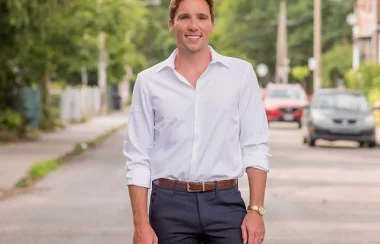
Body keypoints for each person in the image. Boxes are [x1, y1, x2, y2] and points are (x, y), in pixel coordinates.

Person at [123, 0, 270, 243]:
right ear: (171, 24)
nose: (194, 26)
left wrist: (256, 210)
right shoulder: (148, 82)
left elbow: (255, 147)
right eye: (184, 17)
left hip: (225, 204)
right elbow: (138, 157)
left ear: (212, 24)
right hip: (170, 208)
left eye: (202, 17)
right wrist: (140, 224)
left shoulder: (240, 75)